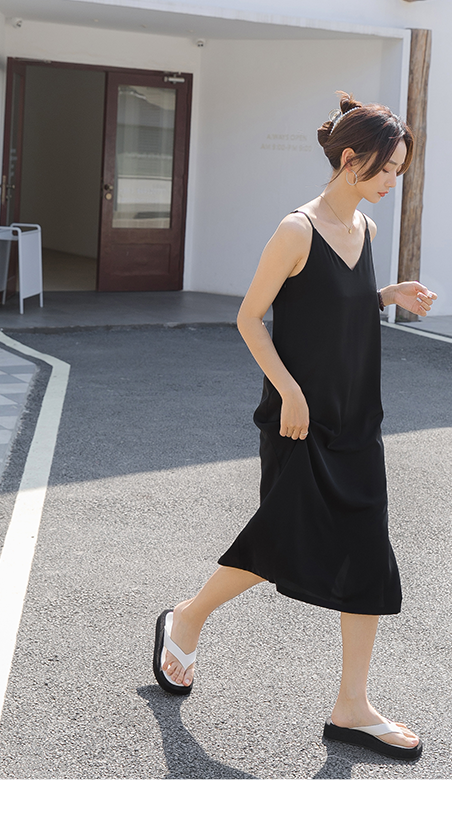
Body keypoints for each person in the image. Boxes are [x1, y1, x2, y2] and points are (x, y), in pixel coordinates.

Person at [153, 92, 437, 761]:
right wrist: (288, 390)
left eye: (399, 170)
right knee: (283, 539)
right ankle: (186, 618)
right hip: (298, 422)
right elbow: (250, 317)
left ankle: (352, 706)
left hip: (357, 420)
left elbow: (335, 306)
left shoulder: (366, 231)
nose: (393, 181)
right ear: (351, 159)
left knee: (367, 553)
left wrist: (386, 295)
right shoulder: (296, 230)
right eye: (387, 169)